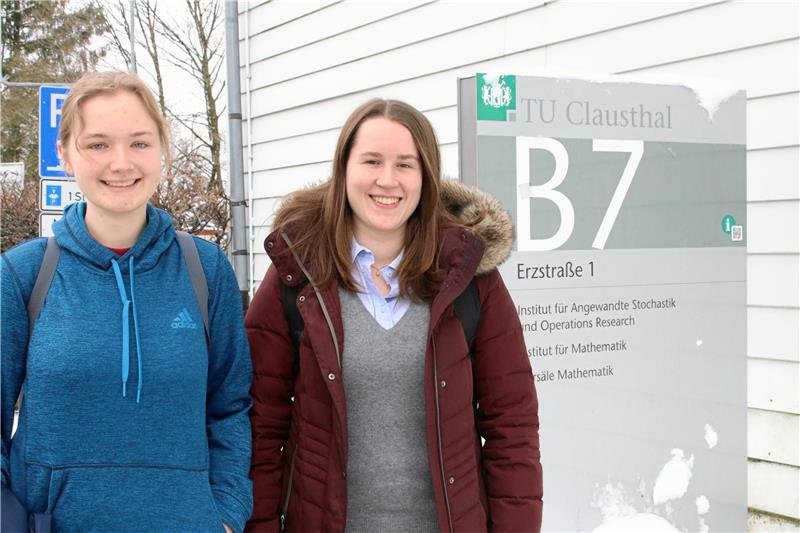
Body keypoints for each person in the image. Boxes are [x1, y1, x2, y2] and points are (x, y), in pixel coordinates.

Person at [245, 98, 542, 532]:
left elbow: (511, 428)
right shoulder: (297, 276)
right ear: (344, 168)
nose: (387, 180)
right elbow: (260, 428)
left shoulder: (469, 280)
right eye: (371, 161)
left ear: (426, 177)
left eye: (406, 164)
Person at [1, 71, 253, 532]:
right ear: (65, 154)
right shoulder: (24, 274)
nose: (121, 163)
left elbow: (230, 406)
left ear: (162, 150)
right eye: (97, 144)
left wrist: (227, 516)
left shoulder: (205, 269)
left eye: (139, 143)